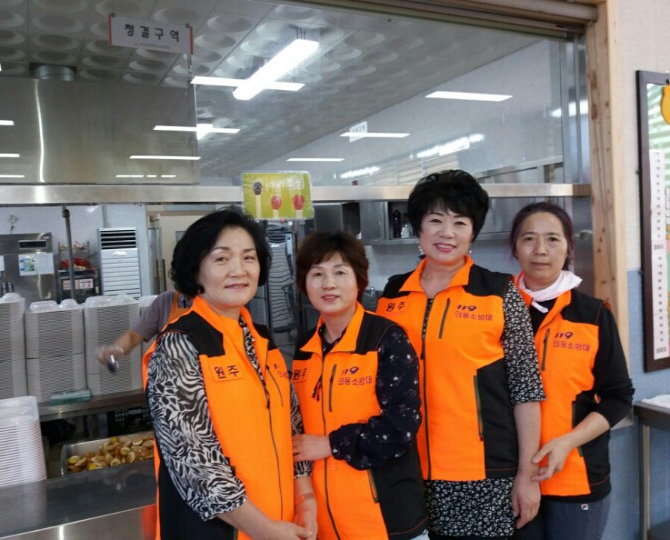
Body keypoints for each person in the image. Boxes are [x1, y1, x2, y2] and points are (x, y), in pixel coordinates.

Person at [376, 170, 546, 539]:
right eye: (435, 220)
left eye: (460, 222)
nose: (447, 233)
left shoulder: (498, 293)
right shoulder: (392, 295)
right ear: (419, 227)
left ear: (473, 232)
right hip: (404, 469)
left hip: (482, 475)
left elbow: (527, 392)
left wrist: (527, 475)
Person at [146, 208, 317, 540]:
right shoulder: (179, 345)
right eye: (221, 259)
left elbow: (292, 427)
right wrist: (265, 530)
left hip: (281, 524)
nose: (239, 270)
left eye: (249, 257)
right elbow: (194, 461)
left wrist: (305, 501)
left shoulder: (261, 341)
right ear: (196, 270)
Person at [509, 202, 634, 540]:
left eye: (553, 239)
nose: (540, 250)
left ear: (568, 248)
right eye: (529, 239)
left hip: (576, 477)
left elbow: (619, 397)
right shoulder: (496, 310)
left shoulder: (593, 314)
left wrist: (567, 442)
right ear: (515, 248)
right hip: (509, 478)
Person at [292, 231, 429, 539]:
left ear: (358, 280)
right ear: (305, 283)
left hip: (387, 519)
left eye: (340, 272)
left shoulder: (387, 338)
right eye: (317, 274)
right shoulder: (304, 347)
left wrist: (331, 443)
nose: (329, 284)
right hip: (322, 520)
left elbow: (402, 426)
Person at [96, 289, 192, 383]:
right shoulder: (166, 301)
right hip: (169, 382)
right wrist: (117, 349)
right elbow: (134, 336)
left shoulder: (202, 304)